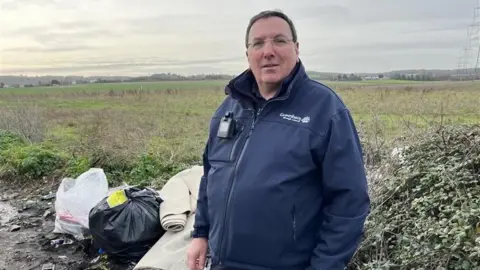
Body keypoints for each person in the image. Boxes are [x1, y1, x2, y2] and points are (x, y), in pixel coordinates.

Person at [187, 9, 370, 270]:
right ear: (248, 53)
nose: (268, 51)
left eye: (279, 40)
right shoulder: (228, 108)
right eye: (258, 43)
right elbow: (211, 176)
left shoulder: (325, 110)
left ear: (296, 48)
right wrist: (201, 233)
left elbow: (349, 202)